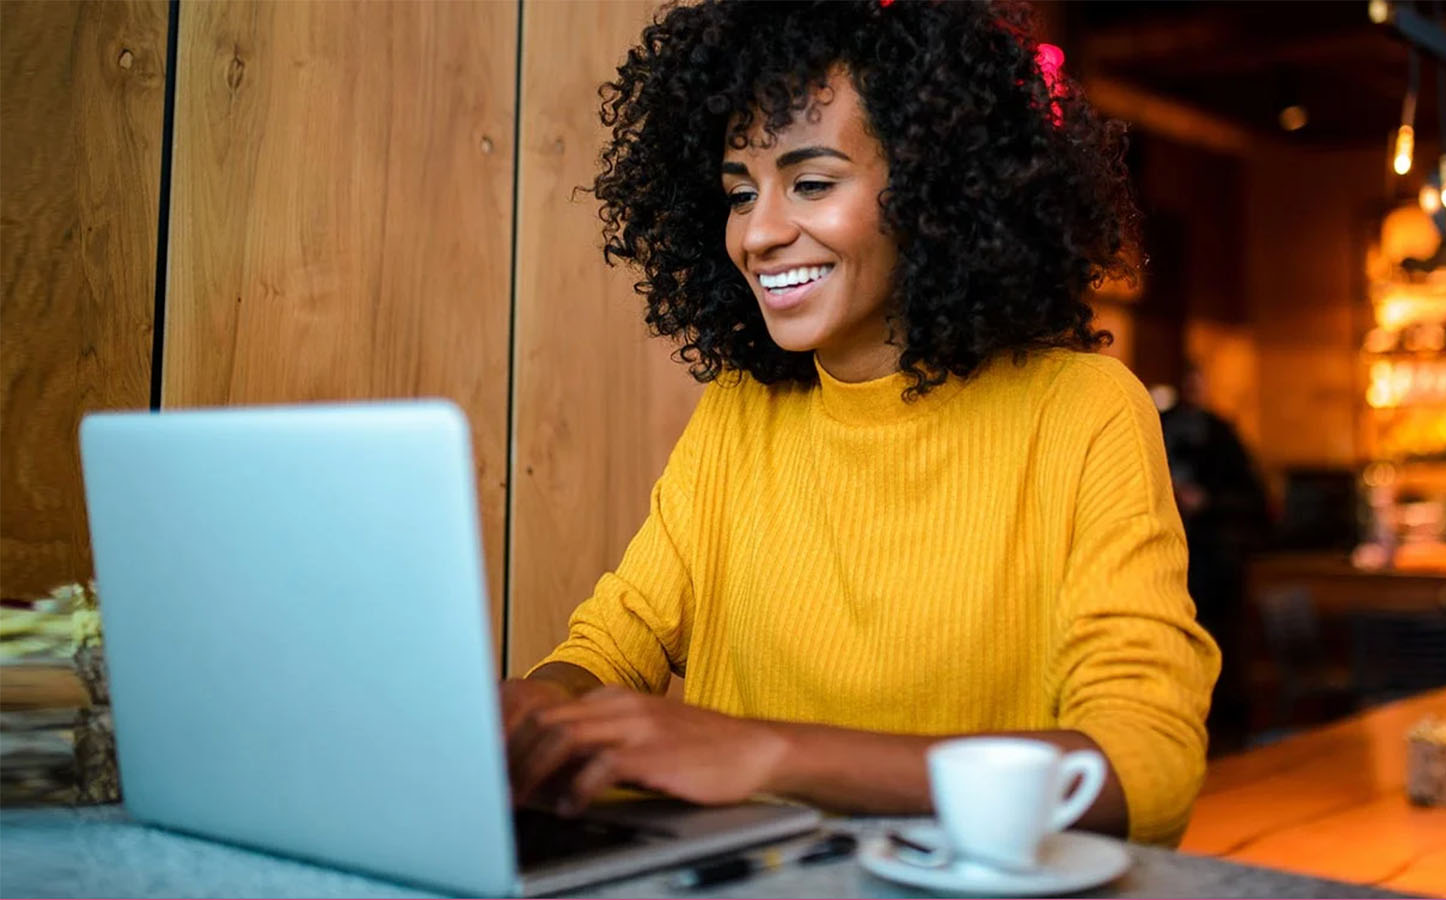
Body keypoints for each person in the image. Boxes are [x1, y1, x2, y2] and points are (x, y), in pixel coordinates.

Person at [501, 0, 1219, 847]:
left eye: (811, 182)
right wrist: (538, 707)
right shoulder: (741, 411)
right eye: (740, 192)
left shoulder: (1083, 410)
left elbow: (1145, 767)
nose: (760, 233)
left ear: (934, 190)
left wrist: (771, 756)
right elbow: (611, 645)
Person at [1160, 361, 1269, 752]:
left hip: (1213, 562)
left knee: (1217, 646)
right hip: (1164, 563)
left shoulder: (1222, 433)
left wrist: (1206, 501)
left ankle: (1218, 732)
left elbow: (1255, 500)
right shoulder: (1156, 424)